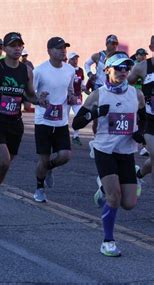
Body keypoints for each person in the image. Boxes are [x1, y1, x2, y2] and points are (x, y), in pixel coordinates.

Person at [73, 52, 145, 257]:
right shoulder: (98, 95)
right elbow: (77, 123)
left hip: (126, 151)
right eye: (119, 68)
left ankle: (103, 189)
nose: (124, 72)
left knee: (129, 204)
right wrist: (95, 113)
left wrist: (139, 132)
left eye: (127, 68)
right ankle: (108, 241)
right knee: (114, 198)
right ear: (107, 70)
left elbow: (143, 117)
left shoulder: (136, 94)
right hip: (104, 150)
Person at [0, 32, 41, 217]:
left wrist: (39, 100)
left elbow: (29, 94)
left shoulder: (26, 70)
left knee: (5, 165)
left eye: (20, 45)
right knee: (2, 159)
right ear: (4, 48)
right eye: (13, 45)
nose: (17, 48)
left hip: (15, 123)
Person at [32, 37, 77, 202]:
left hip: (61, 121)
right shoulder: (39, 71)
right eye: (58, 48)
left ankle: (49, 168)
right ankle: (39, 188)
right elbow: (30, 94)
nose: (63, 50)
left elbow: (70, 90)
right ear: (49, 51)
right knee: (43, 159)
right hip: (43, 121)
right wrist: (38, 98)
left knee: (65, 156)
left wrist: (72, 97)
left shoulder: (69, 70)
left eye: (64, 47)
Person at [128, 36, 154, 184]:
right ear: (151, 48)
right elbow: (127, 83)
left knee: (152, 160)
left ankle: (138, 175)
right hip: (149, 120)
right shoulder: (142, 67)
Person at [67, 51, 86, 145]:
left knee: (79, 115)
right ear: (69, 60)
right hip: (66, 97)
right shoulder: (65, 69)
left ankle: (75, 136)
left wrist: (83, 86)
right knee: (64, 117)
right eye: (73, 59)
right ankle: (63, 136)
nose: (75, 61)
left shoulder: (80, 70)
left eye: (76, 59)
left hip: (77, 96)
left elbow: (82, 82)